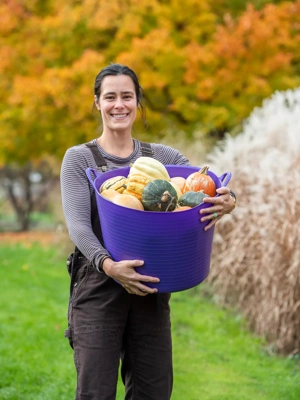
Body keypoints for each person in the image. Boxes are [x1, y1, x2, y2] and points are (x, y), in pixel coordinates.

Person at [60, 63, 236, 400]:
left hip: (151, 287)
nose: (119, 105)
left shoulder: (164, 157)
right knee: (96, 391)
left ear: (138, 102)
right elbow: (78, 226)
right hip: (98, 285)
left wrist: (229, 199)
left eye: (127, 96)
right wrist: (109, 266)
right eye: (110, 97)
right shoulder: (79, 159)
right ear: (97, 102)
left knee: (153, 392)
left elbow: (200, 189)